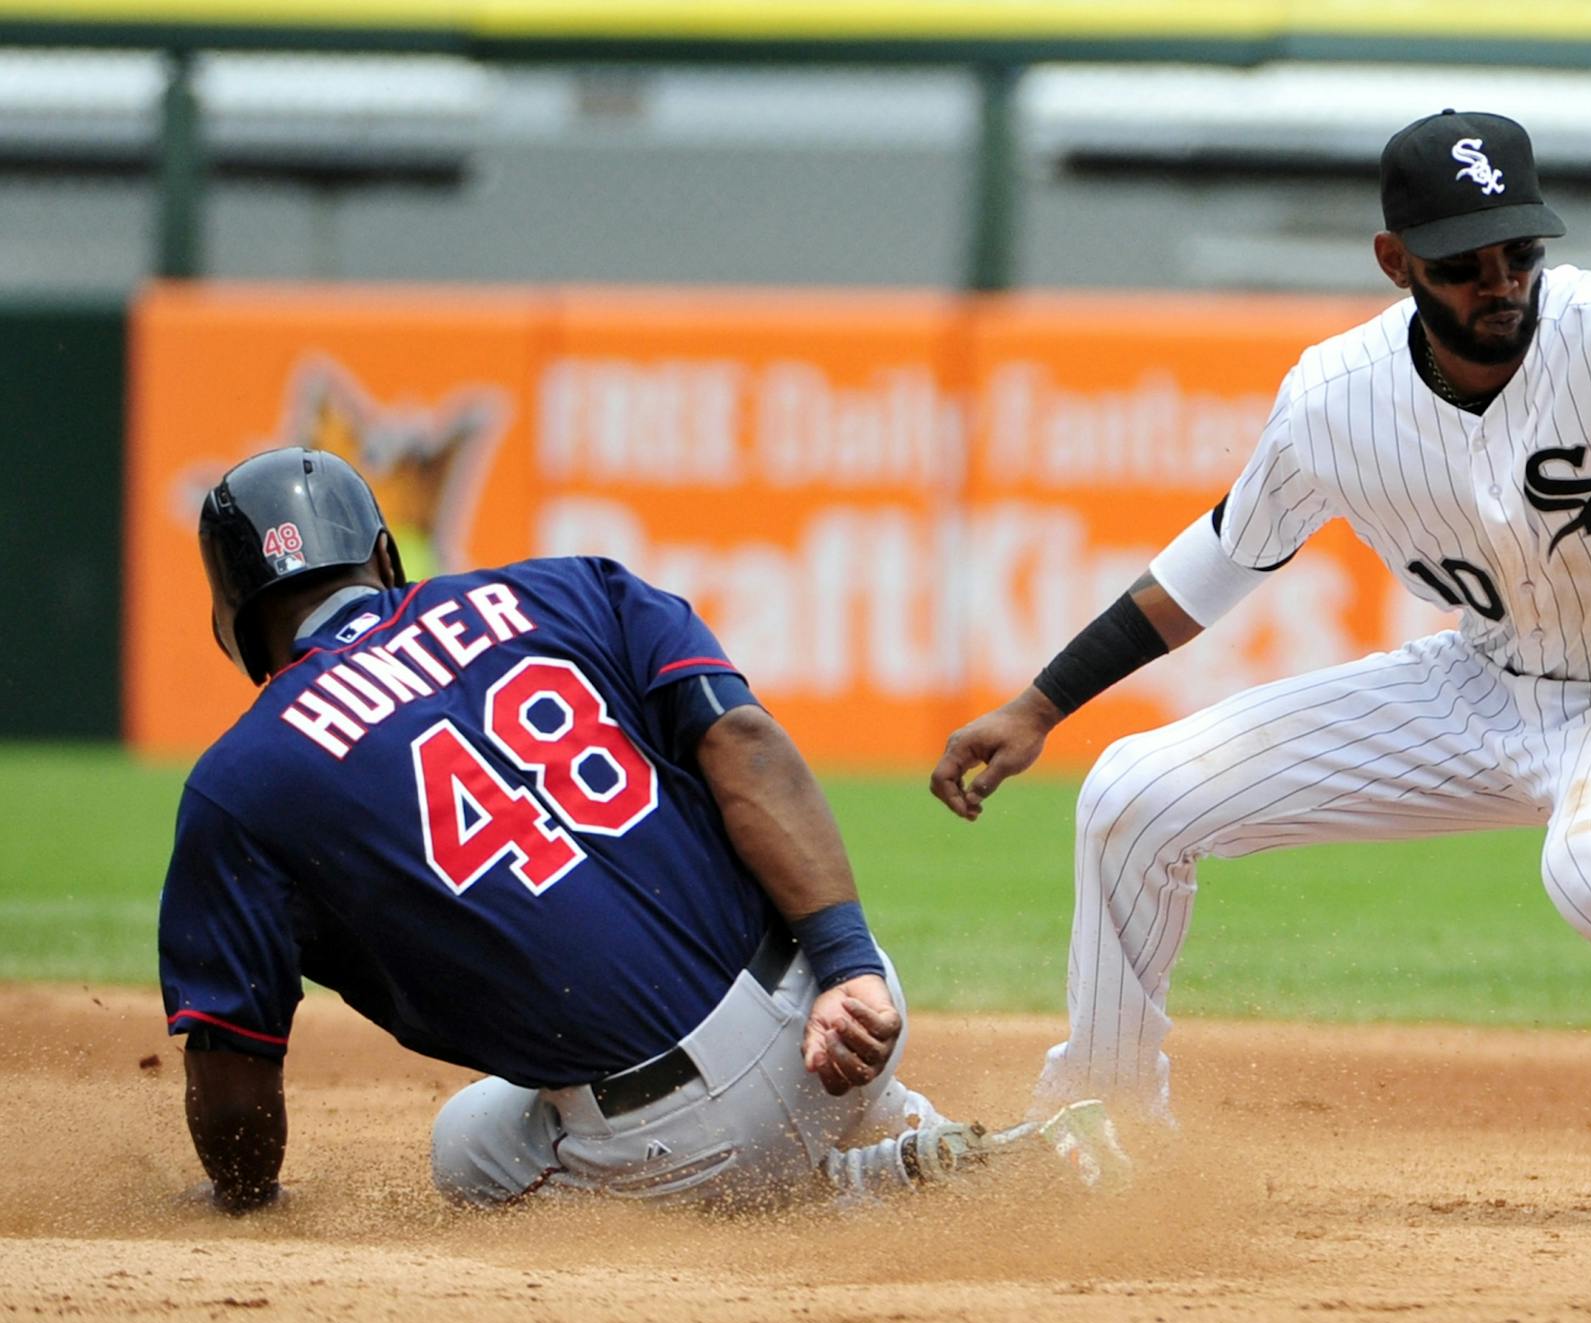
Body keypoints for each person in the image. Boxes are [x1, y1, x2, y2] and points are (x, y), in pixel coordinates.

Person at [929, 111, 1591, 1232]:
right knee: (1132, 795)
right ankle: (1101, 1124)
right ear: (1395, 262)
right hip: (1485, 686)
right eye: (1462, 262)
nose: (1499, 280)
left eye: (1517, 251)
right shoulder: (1334, 398)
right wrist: (1039, 703)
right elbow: (1212, 563)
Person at [161, 446, 1125, 1214]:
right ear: (382, 553)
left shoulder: (240, 785)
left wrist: (243, 1202)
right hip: (842, 1003)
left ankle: (875, 1192)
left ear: (235, 624)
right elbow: (745, 741)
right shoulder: (568, 586)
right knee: (757, 1094)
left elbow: (236, 1072)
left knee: (468, 1156)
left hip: (684, 1122)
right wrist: (851, 966)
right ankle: (943, 1138)